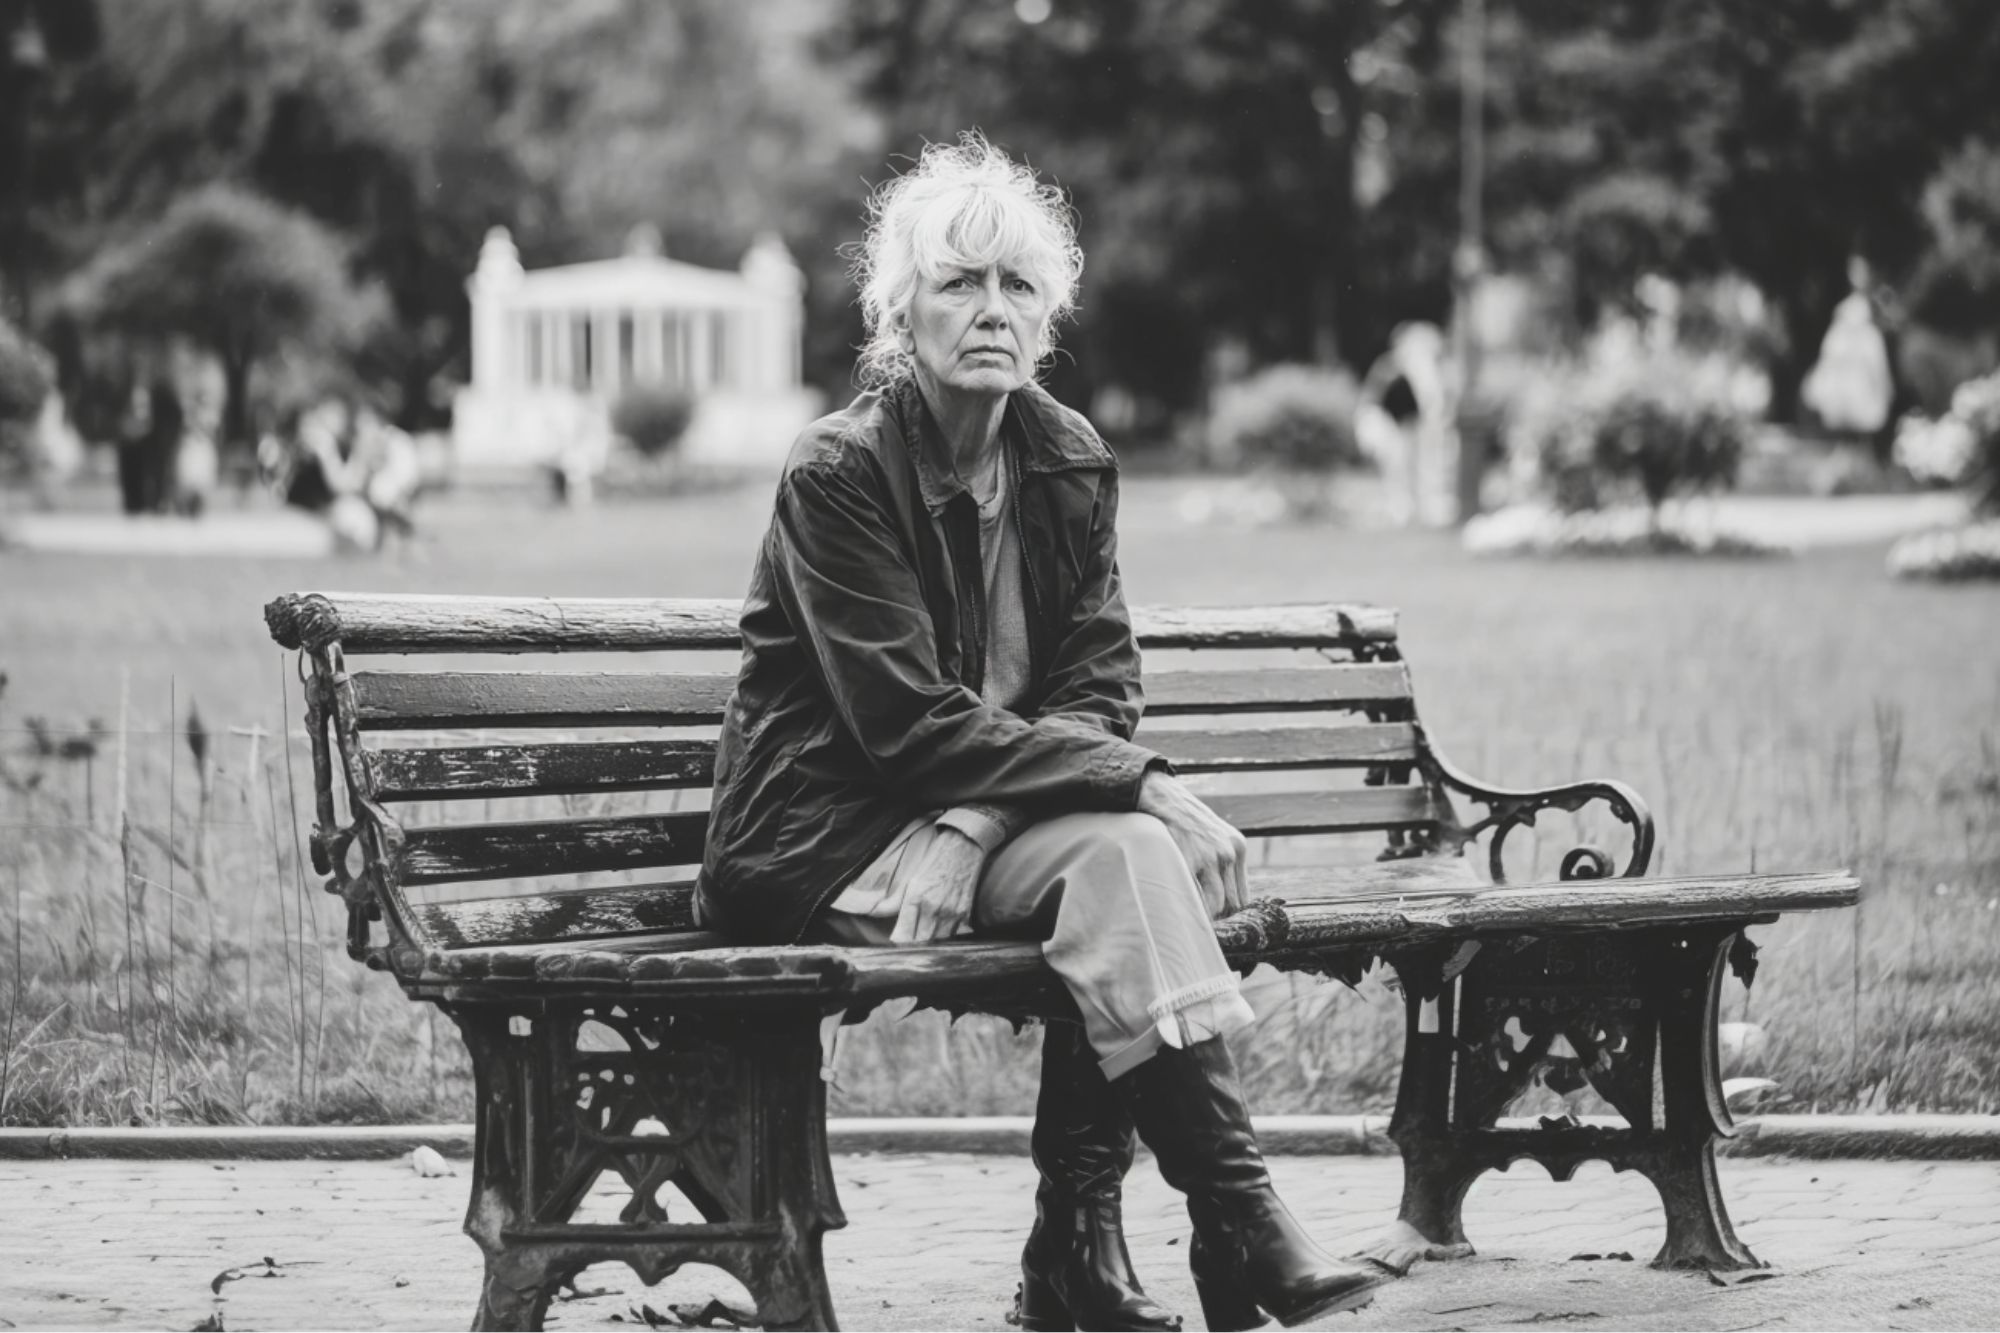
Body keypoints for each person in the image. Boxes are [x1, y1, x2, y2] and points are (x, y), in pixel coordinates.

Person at [697, 133, 1389, 1332]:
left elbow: (1097, 684)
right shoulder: (837, 473)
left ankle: (1127, 1238)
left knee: (1122, 864)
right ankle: (1222, 1234)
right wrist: (1138, 783)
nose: (990, 311)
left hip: (962, 822)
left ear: (1049, 315)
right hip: (823, 837)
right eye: (960, 283)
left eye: (1018, 286)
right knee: (1131, 850)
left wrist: (978, 817)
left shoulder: (1065, 459)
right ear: (897, 308)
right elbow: (903, 720)